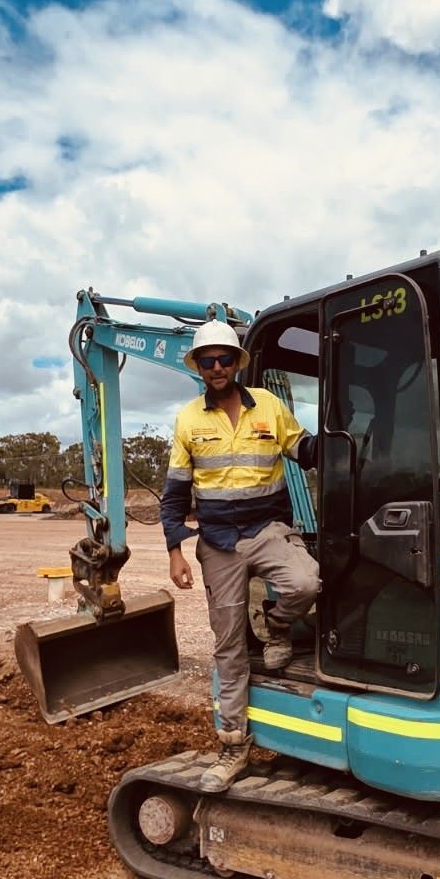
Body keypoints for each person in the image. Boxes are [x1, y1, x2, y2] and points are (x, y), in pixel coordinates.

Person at [160, 319, 320, 793]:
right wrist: (176, 552)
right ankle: (233, 745)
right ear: (199, 368)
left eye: (224, 359)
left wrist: (341, 435)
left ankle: (273, 622)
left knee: (305, 583)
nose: (216, 367)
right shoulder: (189, 419)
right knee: (229, 644)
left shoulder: (269, 407)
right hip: (218, 542)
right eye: (207, 361)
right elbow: (173, 497)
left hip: (267, 529)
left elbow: (304, 449)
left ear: (236, 364)